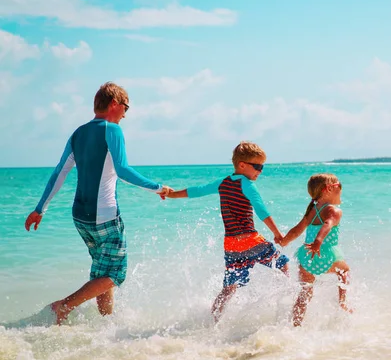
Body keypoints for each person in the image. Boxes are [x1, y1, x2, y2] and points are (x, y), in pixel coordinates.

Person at [24, 82, 172, 325]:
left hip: (80, 217)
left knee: (102, 273)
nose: (125, 114)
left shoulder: (78, 133)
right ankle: (64, 306)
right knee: (115, 273)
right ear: (114, 104)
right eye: (126, 107)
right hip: (104, 216)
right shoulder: (112, 130)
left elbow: (59, 173)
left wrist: (40, 208)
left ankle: (107, 327)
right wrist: (157, 188)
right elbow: (123, 170)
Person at [162, 141, 289, 322]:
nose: (260, 171)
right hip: (251, 240)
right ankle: (285, 300)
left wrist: (172, 194)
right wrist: (277, 233)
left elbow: (197, 191)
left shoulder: (223, 183)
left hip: (231, 245)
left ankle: (213, 322)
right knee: (282, 265)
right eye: (258, 166)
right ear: (242, 165)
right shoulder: (247, 184)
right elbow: (261, 210)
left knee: (229, 289)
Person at [281, 173, 351, 327]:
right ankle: (342, 303)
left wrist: (284, 240)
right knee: (344, 272)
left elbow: (296, 231)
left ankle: (296, 324)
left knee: (305, 293)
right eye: (339, 186)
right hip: (324, 253)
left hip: (307, 257)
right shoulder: (334, 211)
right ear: (328, 189)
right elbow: (327, 224)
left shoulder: (312, 210)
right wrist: (318, 242)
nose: (341, 189)